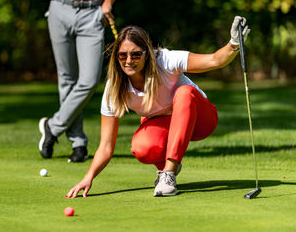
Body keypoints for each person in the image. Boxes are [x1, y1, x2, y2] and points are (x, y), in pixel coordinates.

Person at [66, 16, 250, 197]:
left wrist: (234, 43)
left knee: (184, 92)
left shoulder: (165, 60)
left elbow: (214, 60)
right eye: (122, 55)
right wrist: (88, 177)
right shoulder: (114, 88)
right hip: (167, 125)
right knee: (142, 147)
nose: (128, 61)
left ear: (148, 53)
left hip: (202, 119)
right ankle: (168, 167)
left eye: (136, 54)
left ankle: (169, 174)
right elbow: (106, 146)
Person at [25, 0, 129, 162]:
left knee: (89, 80)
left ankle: (53, 127)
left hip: (92, 13)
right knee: (67, 79)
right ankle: (78, 142)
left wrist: (108, 2)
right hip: (60, 8)